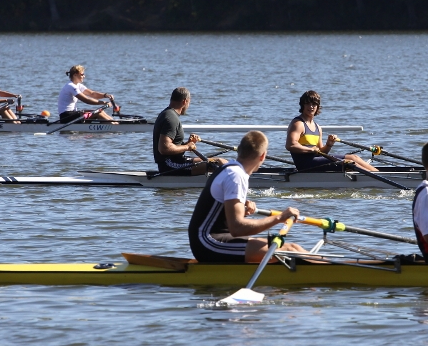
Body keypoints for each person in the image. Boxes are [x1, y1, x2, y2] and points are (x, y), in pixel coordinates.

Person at [189, 130, 308, 263]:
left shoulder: (231, 168)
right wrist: (279, 218)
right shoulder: (235, 175)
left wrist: (241, 208)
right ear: (263, 156)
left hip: (215, 239)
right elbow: (237, 228)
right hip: (208, 243)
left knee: (294, 248)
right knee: (291, 251)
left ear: (240, 150)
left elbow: (222, 214)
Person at [286, 90, 378, 172]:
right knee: (348, 163)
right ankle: (375, 178)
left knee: (354, 157)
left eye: (314, 104)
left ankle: (379, 174)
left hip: (316, 160)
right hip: (305, 164)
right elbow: (290, 145)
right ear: (303, 105)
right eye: (308, 104)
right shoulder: (298, 124)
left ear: (317, 106)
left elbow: (322, 152)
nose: (311, 107)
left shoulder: (317, 127)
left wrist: (329, 144)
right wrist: (310, 150)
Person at [153, 87, 226, 175]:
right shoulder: (171, 118)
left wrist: (188, 143)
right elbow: (164, 148)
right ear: (185, 101)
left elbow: (171, 146)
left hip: (177, 161)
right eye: (189, 102)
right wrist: (187, 147)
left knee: (222, 162)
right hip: (170, 165)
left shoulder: (167, 114)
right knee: (220, 163)